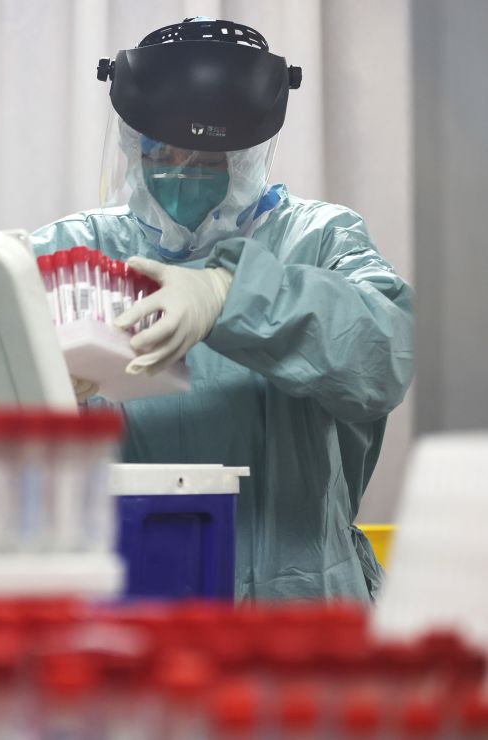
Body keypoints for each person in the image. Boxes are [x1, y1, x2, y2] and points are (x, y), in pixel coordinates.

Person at [32, 17, 413, 601]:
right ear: (134, 149)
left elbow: (384, 355)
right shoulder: (71, 252)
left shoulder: (318, 240)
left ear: (251, 156)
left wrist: (229, 295)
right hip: (121, 605)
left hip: (295, 615)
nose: (183, 173)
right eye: (163, 155)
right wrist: (36, 389)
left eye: (210, 161)